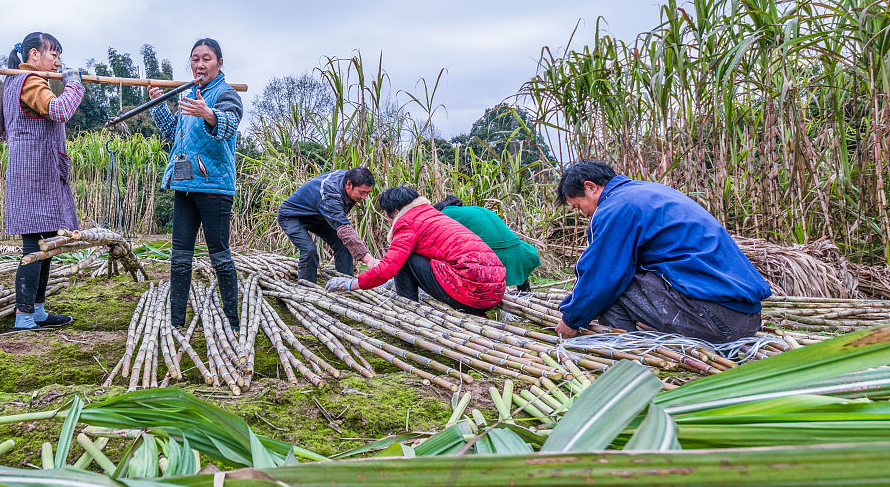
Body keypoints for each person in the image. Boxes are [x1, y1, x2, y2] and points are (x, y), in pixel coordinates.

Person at [553, 159, 771, 344]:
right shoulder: (647, 193)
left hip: (719, 320)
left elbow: (601, 276)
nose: (582, 214)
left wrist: (571, 319)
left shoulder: (616, 207)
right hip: (746, 315)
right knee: (617, 276)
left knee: (611, 287)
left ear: (591, 187)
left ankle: (626, 356)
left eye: (578, 206)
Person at [149, 38, 243, 330]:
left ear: (219, 63)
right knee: (179, 256)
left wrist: (209, 114)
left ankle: (232, 322)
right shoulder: (191, 94)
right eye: (195, 59)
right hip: (185, 185)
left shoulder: (226, 94)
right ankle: (177, 322)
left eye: (207, 59)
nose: (200, 64)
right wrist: (158, 104)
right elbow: (174, 132)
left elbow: (228, 125)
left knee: (220, 255)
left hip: (214, 188)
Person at [0, 32, 86, 330]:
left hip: (37, 172)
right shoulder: (32, 81)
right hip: (34, 174)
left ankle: (37, 311)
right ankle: (24, 316)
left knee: (45, 245)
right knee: (34, 248)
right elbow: (60, 110)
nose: (58, 62)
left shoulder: (14, 82)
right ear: (34, 55)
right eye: (54, 55)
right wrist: (73, 82)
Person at [324, 186, 506, 313]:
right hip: (494, 292)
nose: (387, 220)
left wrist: (350, 284)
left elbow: (389, 268)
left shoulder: (407, 223)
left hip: (470, 293)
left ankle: (406, 309)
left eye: (386, 215)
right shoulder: (432, 215)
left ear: (394, 212)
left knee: (404, 261)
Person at [278, 167, 378, 285]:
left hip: (318, 215)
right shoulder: (330, 194)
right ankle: (306, 290)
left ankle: (345, 284)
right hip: (292, 215)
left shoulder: (349, 178)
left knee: (343, 244)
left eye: (368, 193)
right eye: (362, 192)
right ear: (349, 185)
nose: (365, 197)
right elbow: (344, 228)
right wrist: (368, 259)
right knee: (309, 250)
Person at [433, 195, 540, 290]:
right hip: (521, 254)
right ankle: (525, 292)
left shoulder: (444, 214)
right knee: (509, 251)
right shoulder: (474, 209)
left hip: (494, 260)